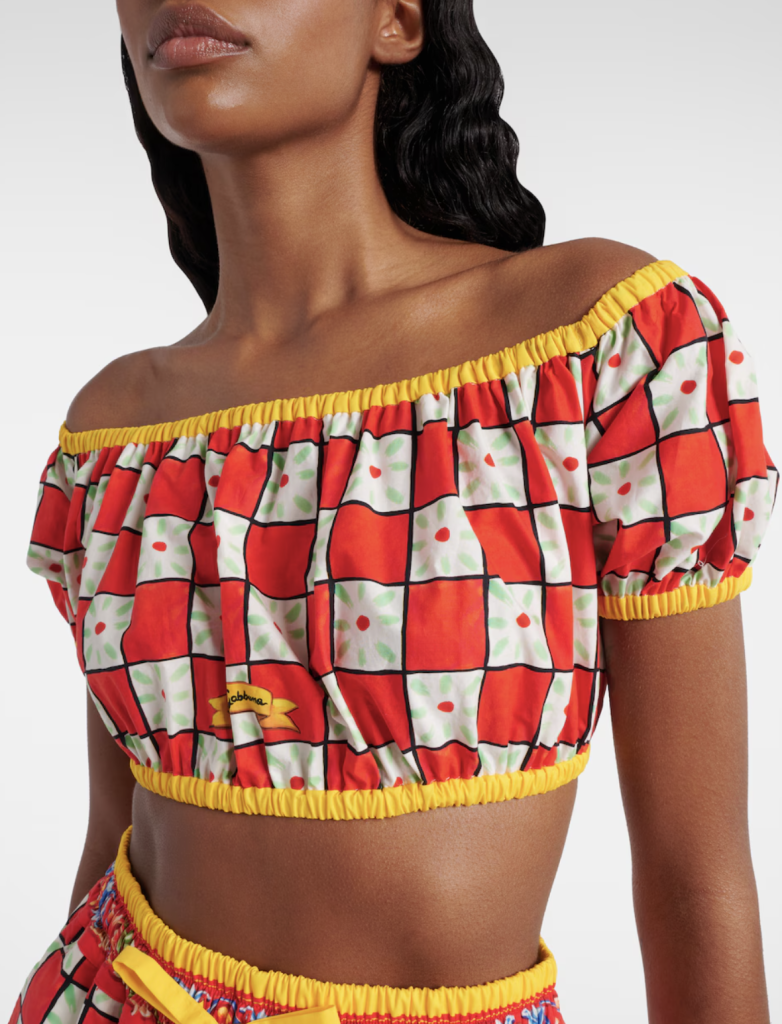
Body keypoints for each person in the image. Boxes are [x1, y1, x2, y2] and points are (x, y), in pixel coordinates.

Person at [9, 1, 777, 1022]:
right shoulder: (118, 430)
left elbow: (695, 874)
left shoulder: (597, 344)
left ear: (399, 21)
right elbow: (117, 824)